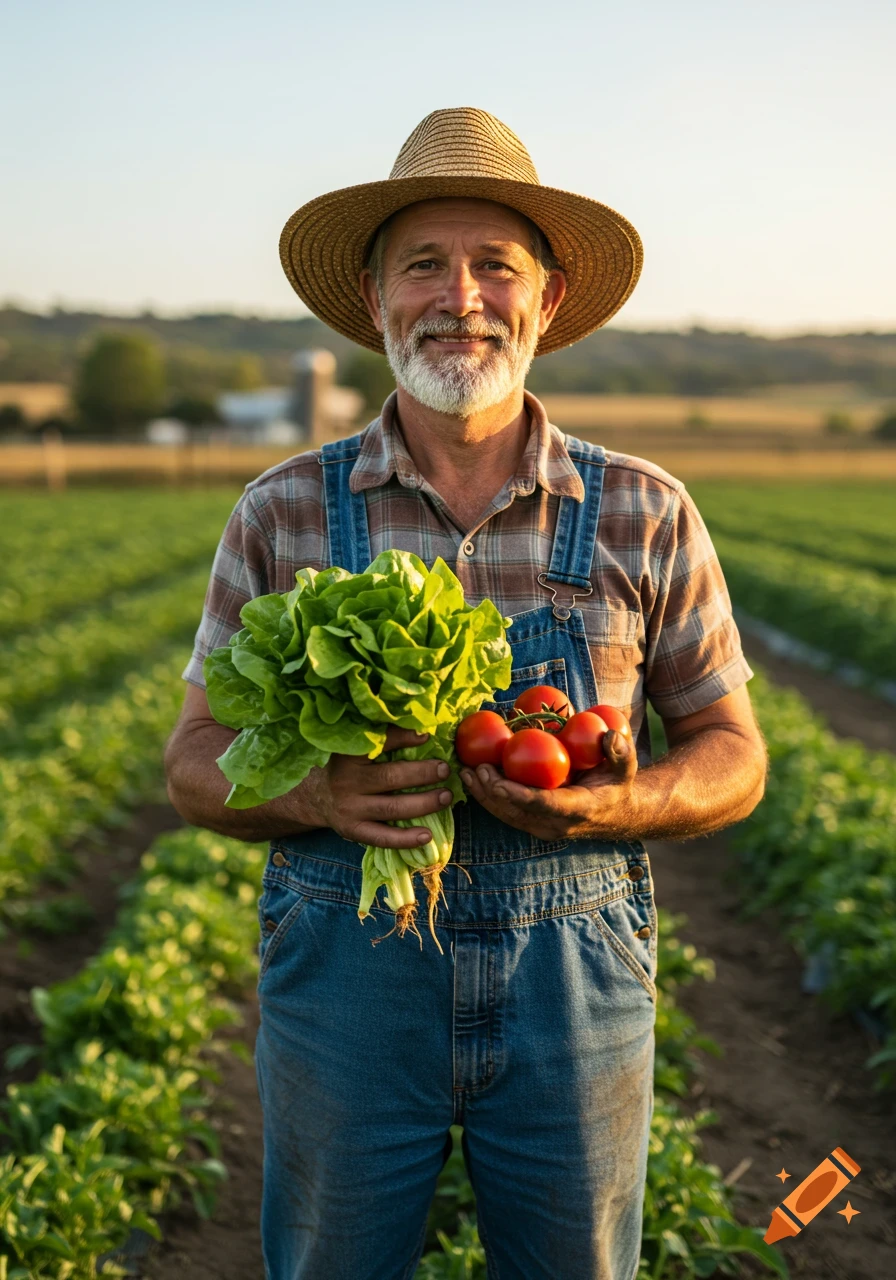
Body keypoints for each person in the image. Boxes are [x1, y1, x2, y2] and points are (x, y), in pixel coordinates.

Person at [164, 107, 768, 1280]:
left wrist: (618, 806)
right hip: (344, 980)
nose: (461, 297)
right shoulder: (281, 510)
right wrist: (318, 794)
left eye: (495, 265)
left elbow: (731, 750)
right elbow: (194, 758)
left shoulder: (645, 507)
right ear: (374, 294)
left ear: (543, 301)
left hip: (575, 981)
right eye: (423, 265)